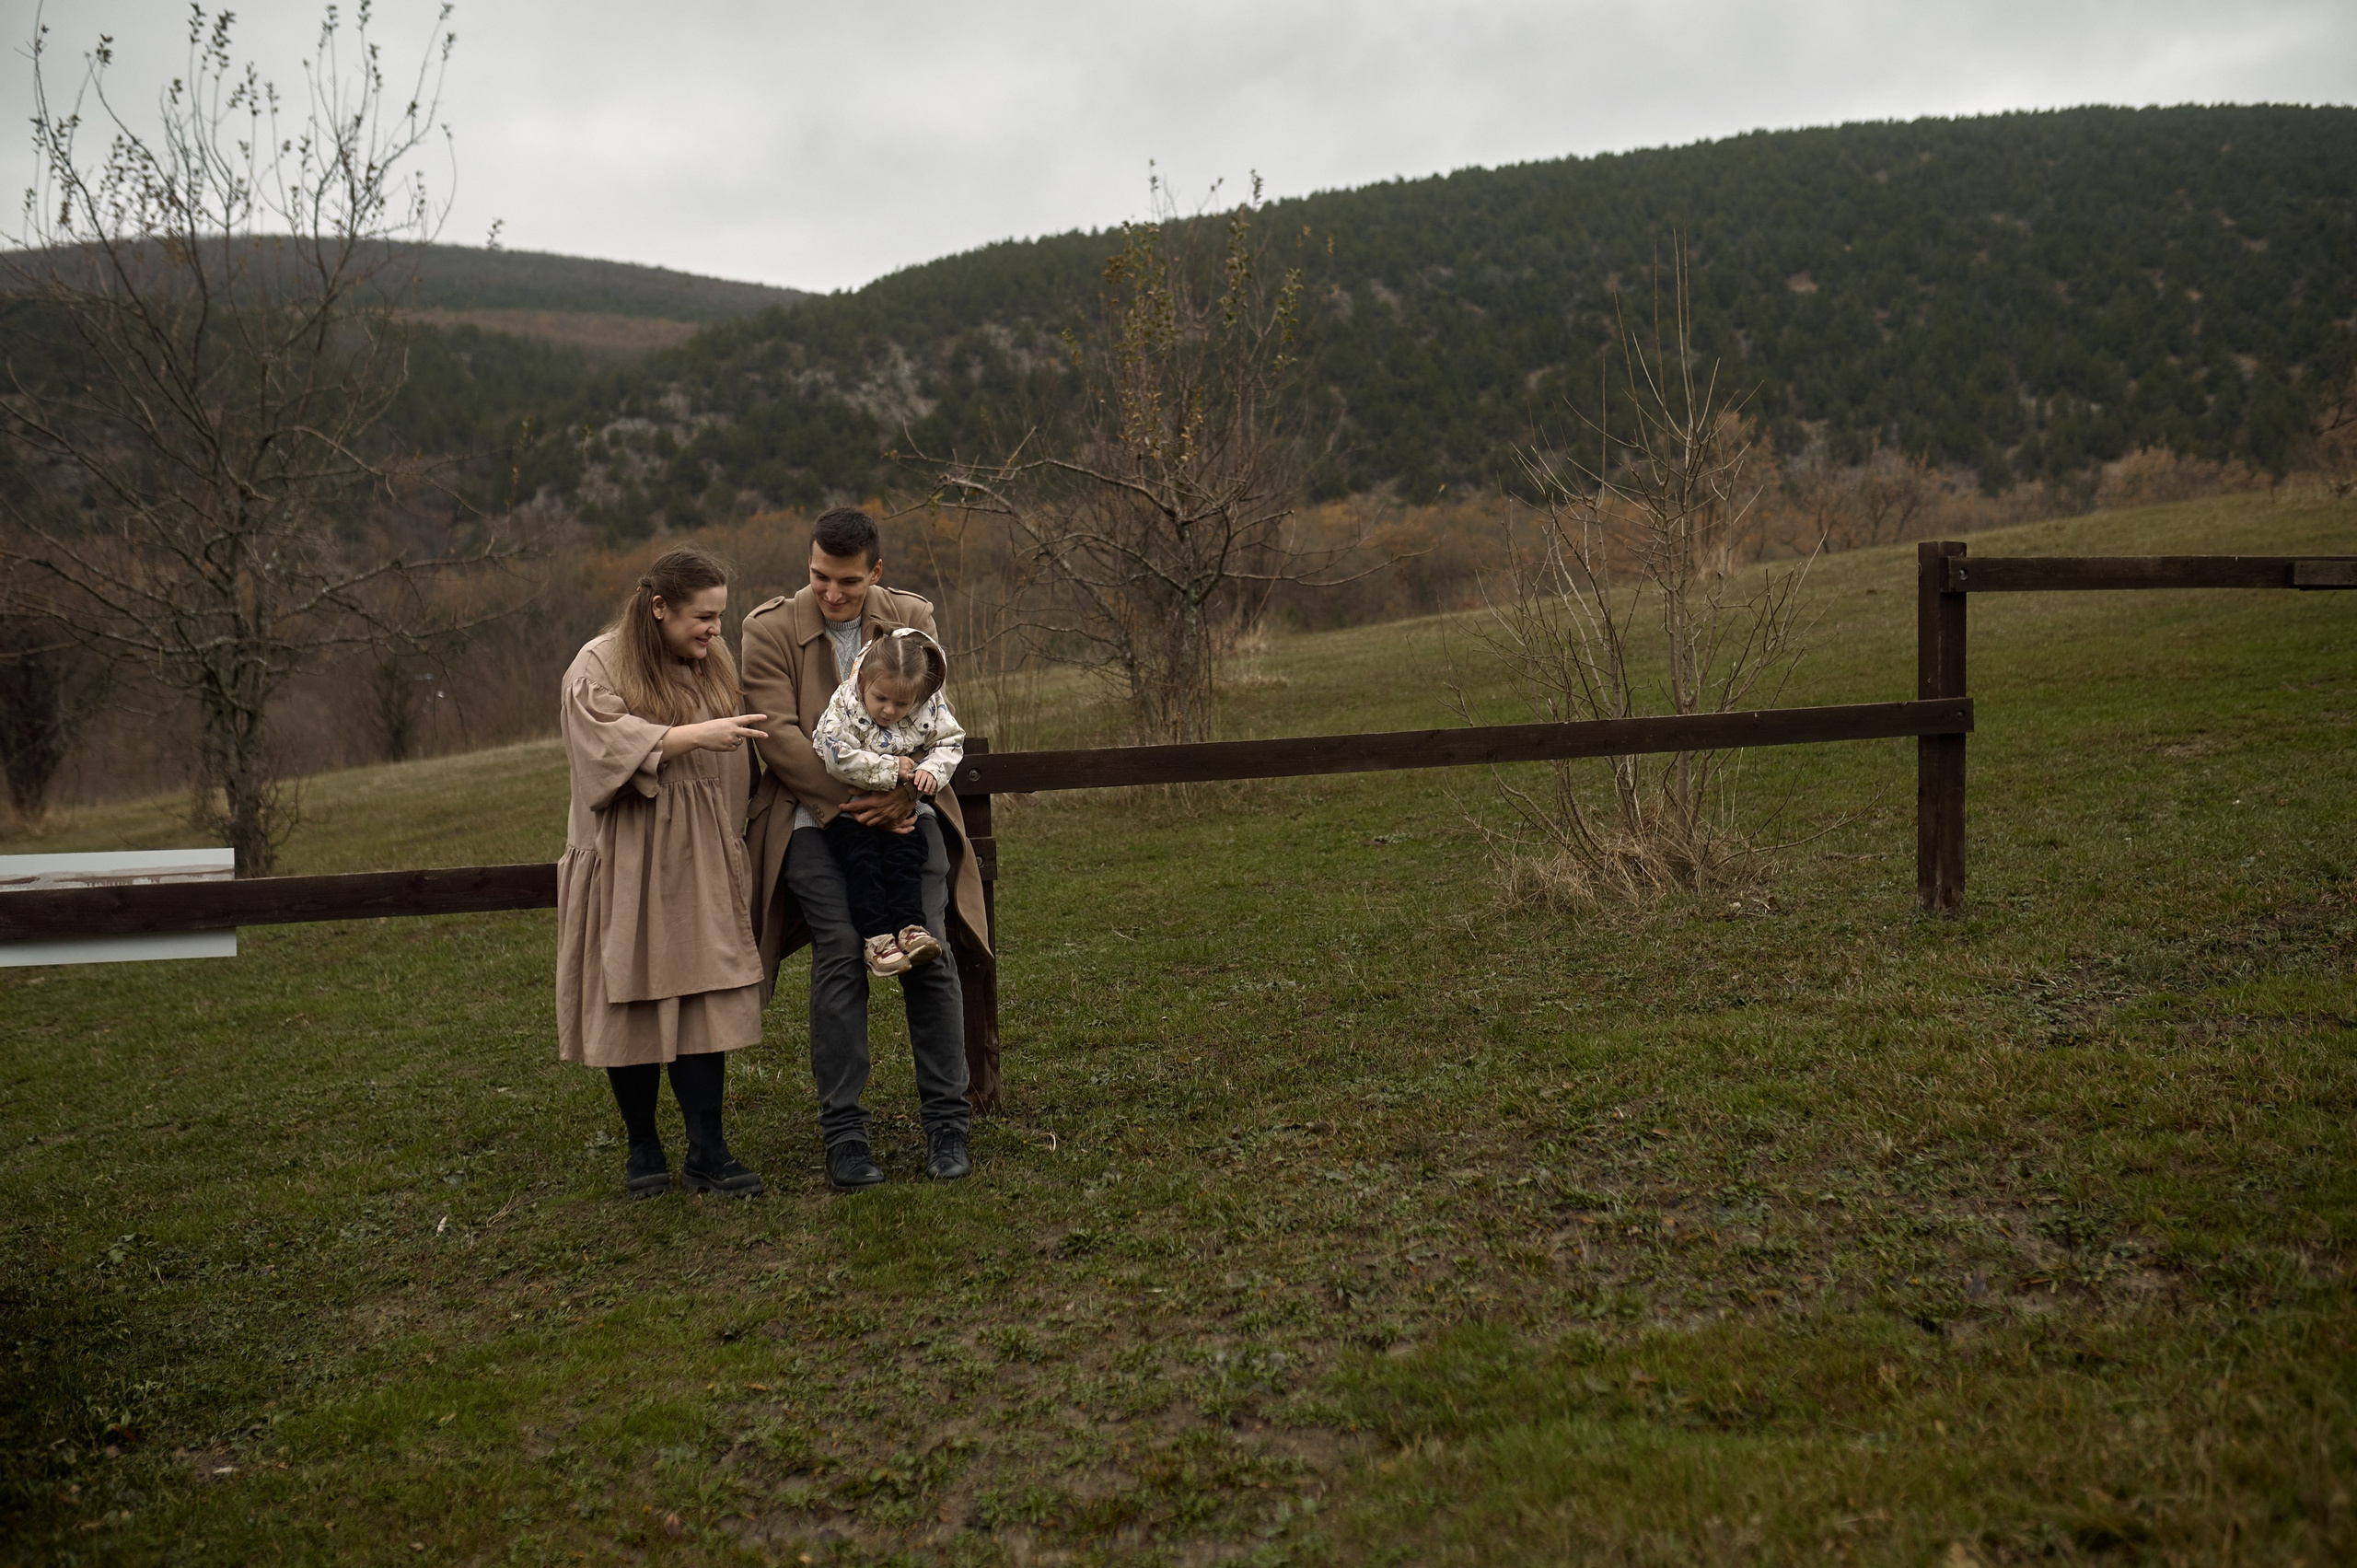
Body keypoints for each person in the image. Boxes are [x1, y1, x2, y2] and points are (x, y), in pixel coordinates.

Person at [741, 508, 991, 1190]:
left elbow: (928, 718)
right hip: (813, 814)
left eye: (847, 581)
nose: (831, 593)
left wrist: (902, 796)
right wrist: (854, 800)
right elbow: (781, 738)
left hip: (908, 807)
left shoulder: (911, 618)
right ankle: (846, 1135)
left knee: (924, 941)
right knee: (845, 945)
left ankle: (947, 1122)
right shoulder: (766, 630)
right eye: (819, 577)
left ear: (874, 572)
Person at [557, 546, 770, 1201]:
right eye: (703, 617)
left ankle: (710, 1150)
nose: (714, 630)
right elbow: (602, 748)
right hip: (628, 861)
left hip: (701, 859)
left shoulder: (711, 661)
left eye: (720, 617)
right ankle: (642, 1144)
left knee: (705, 999)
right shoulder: (599, 664)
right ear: (659, 608)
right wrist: (690, 735)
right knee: (634, 1003)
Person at [811, 627, 967, 978]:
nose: (888, 710)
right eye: (880, 698)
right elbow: (836, 755)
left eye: (901, 704)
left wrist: (930, 770)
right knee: (863, 862)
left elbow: (951, 742)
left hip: (901, 810)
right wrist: (891, 769)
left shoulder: (927, 706)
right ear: (863, 680)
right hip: (850, 811)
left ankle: (911, 929)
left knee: (907, 856)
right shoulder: (845, 704)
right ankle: (877, 939)